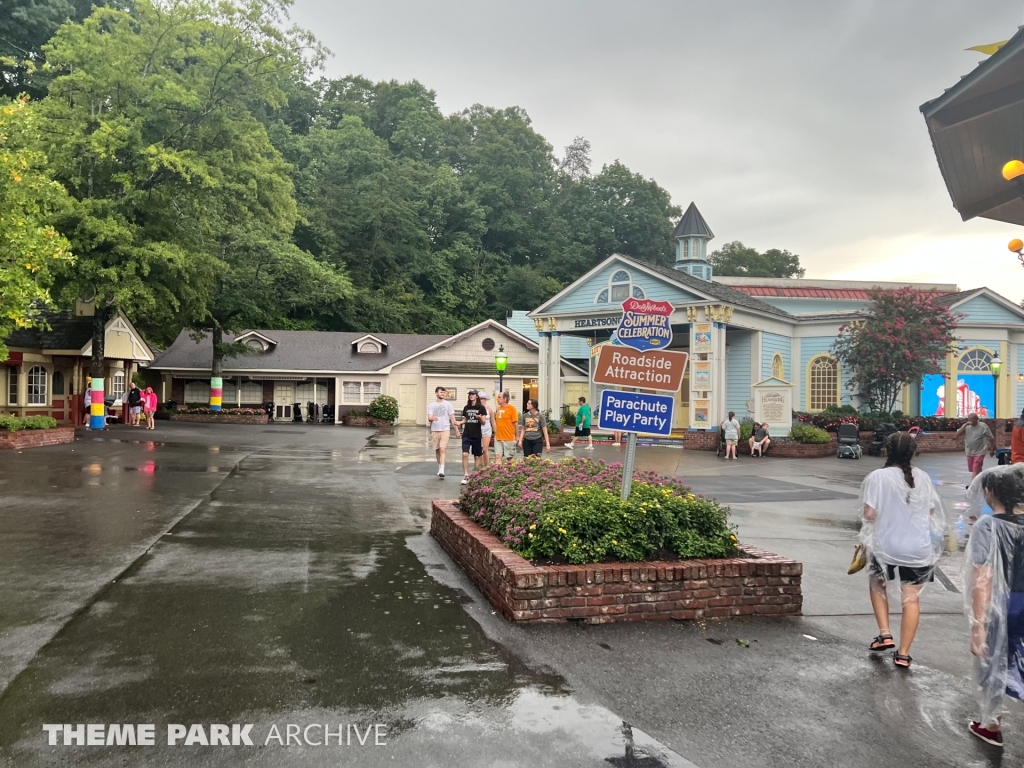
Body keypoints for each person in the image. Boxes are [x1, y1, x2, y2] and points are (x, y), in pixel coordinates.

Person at [860, 432, 945, 670]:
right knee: (911, 599)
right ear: (913, 452)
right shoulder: (924, 477)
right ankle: (904, 654)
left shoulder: (878, 477)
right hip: (918, 547)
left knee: (877, 584)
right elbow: (930, 513)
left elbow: (869, 514)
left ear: (887, 451)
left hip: (886, 545)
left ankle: (885, 633)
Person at [965, 465, 1024, 747]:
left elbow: (983, 578)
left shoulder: (988, 526)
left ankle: (991, 724)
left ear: (989, 492)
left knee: (997, 660)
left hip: (1004, 604)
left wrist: (978, 626)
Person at [457, 390, 488, 485]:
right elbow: (465, 419)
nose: (471, 396)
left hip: (477, 435)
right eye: (470, 394)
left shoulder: (481, 408)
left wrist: (479, 418)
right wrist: (460, 422)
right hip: (466, 434)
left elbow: (483, 422)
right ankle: (466, 475)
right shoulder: (466, 407)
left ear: (476, 396)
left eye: (473, 394)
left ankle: (475, 475)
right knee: (465, 454)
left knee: (477, 456)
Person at [426, 386, 456, 480]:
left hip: (445, 429)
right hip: (435, 430)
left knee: (442, 449)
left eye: (444, 392)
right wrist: (432, 418)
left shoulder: (448, 404)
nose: (443, 394)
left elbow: (452, 417)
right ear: (436, 393)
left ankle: (442, 470)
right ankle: (439, 467)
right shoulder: (432, 405)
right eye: (441, 392)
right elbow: (429, 417)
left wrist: (457, 430)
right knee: (437, 450)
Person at [959, 413, 996, 484]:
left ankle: (973, 485)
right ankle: (980, 481)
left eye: (973, 419)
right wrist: (965, 425)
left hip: (980, 451)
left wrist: (992, 449)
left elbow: (990, 438)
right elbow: (958, 434)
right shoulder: (967, 426)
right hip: (969, 451)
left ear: (977, 419)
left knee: (976, 468)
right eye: (969, 419)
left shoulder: (983, 427)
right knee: (973, 469)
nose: (971, 421)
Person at [493, 392, 519, 463]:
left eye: (499, 397)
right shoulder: (498, 408)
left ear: (505, 399)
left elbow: (516, 423)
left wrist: (517, 436)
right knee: (498, 457)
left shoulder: (512, 409)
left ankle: (511, 473)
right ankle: (496, 472)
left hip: (509, 438)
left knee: (509, 458)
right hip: (498, 438)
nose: (497, 399)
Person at [478, 391, 494, 468]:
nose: (480, 400)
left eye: (481, 399)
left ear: (485, 399)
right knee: (479, 450)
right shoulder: (476, 409)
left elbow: (493, 422)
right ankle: (480, 466)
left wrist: (496, 431)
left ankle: (487, 465)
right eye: (479, 399)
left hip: (486, 430)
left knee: (485, 449)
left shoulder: (489, 410)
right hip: (478, 430)